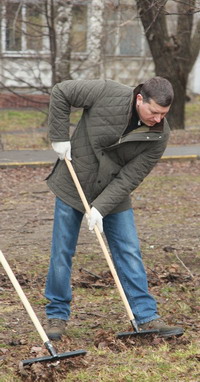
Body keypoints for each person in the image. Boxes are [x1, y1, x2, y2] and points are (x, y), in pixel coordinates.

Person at [45, 77, 184, 341]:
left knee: (129, 250)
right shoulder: (106, 92)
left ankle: (145, 316)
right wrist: (59, 137)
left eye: (164, 114)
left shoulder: (160, 135)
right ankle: (57, 314)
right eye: (154, 112)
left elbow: (131, 177)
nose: (158, 119)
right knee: (62, 251)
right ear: (139, 99)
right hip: (74, 182)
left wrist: (100, 208)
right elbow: (61, 92)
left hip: (113, 192)